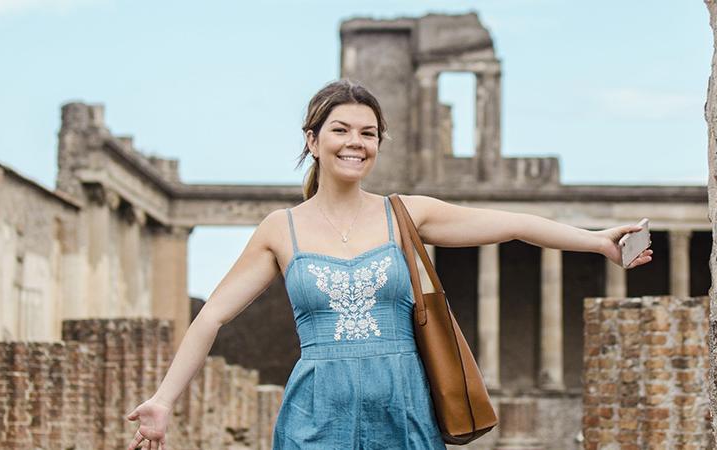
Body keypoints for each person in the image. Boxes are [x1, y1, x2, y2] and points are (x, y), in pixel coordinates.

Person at [124, 79, 653, 450]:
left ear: (377, 144)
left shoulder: (405, 213)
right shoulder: (279, 229)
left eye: (368, 133)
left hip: (404, 407)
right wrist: (163, 400)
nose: (355, 142)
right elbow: (212, 315)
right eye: (341, 130)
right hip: (315, 413)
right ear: (312, 141)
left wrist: (597, 242)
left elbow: (512, 223)